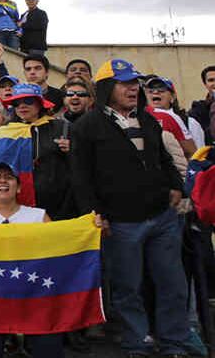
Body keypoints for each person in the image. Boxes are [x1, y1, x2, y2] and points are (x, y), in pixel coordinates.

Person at [70, 59, 190, 357]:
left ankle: (174, 343)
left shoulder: (147, 119)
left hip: (162, 218)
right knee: (127, 289)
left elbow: (163, 158)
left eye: (135, 82)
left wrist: (176, 185)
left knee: (172, 284)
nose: (133, 88)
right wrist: (94, 213)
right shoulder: (87, 126)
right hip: (121, 224)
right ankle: (136, 343)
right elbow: (81, 177)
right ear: (107, 88)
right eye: (125, 83)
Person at [0, 162, 56, 358]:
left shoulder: (38, 216)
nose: (3, 181)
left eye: (9, 177)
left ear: (19, 187)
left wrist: (91, 226)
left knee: (49, 346)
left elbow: (58, 247)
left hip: (32, 295)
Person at [0, 83, 75, 219]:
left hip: (58, 206)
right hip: (17, 206)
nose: (22, 106)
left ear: (40, 104)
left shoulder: (62, 128)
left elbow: (83, 163)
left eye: (28, 101)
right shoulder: (4, 132)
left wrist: (73, 150)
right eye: (16, 102)